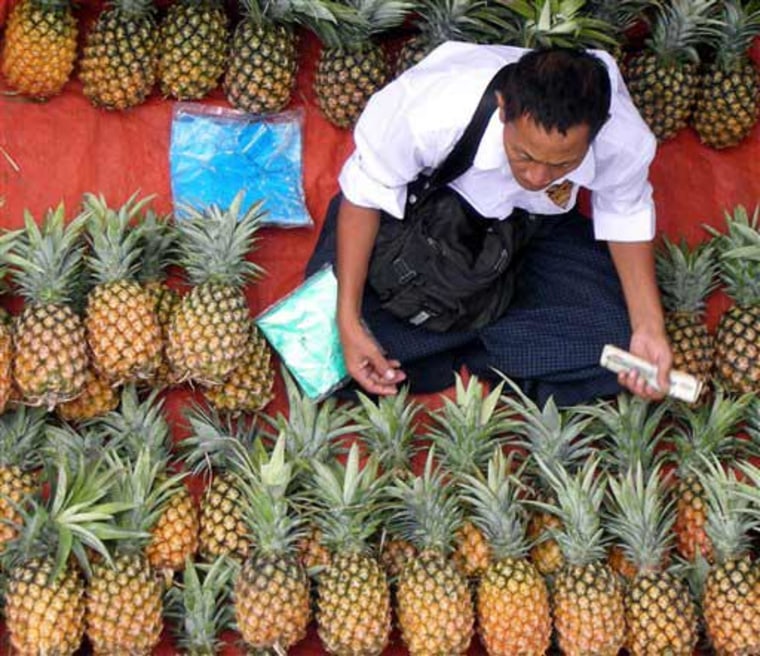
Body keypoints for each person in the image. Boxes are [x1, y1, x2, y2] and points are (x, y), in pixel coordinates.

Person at [306, 42, 673, 406]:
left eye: (562, 165)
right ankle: (510, 337)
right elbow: (366, 195)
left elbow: (626, 213)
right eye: (524, 154)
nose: (537, 176)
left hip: (531, 229)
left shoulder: (623, 140)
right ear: (503, 109)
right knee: (322, 347)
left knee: (620, 338)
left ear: (598, 131)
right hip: (431, 209)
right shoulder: (431, 112)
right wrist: (348, 319)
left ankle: (463, 333)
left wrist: (649, 327)